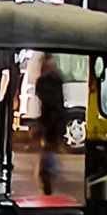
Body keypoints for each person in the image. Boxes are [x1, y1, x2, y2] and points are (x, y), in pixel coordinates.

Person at [34, 54, 66, 197]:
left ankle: (47, 172)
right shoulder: (56, 79)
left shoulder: (45, 80)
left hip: (49, 118)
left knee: (48, 147)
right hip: (53, 118)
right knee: (50, 147)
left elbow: (43, 96)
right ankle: (48, 172)